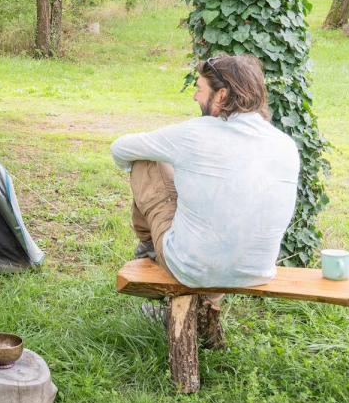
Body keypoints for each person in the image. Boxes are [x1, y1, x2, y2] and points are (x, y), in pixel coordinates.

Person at [110, 55, 300, 307]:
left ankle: (149, 248)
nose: (195, 97)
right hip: (258, 271)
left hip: (191, 269)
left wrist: (147, 188)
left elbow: (121, 147)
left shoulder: (194, 134)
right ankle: (205, 300)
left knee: (145, 159)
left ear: (221, 95)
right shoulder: (285, 143)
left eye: (200, 89)